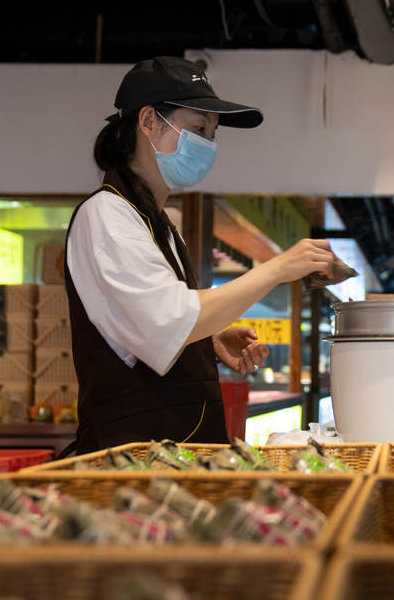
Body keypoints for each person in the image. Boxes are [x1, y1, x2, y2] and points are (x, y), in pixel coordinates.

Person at [65, 56, 335, 454]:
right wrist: (277, 268)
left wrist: (205, 343)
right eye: (197, 129)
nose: (208, 144)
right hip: (133, 463)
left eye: (212, 133)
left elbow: (146, 324)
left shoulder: (158, 225)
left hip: (171, 456)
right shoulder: (107, 214)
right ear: (148, 122)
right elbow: (167, 319)